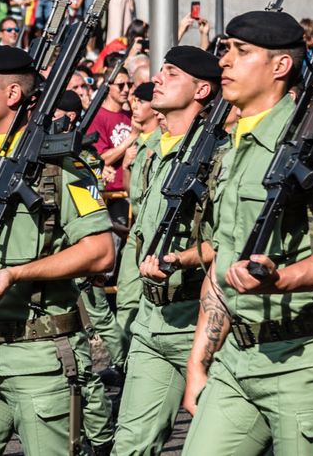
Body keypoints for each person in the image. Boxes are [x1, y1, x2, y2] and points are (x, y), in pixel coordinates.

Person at [182, 11, 313, 455]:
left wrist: (283, 279)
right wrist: (198, 363)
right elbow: (223, 260)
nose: (224, 62)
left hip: (303, 363)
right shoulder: (231, 148)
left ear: (280, 66)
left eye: (240, 51)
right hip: (235, 361)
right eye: (225, 48)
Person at [0, 45, 115, 455]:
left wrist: (19, 273)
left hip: (40, 356)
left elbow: (101, 251)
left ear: (13, 94)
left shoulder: (58, 165)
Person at [113, 48, 225, 455]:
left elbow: (232, 241)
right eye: (160, 71)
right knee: (130, 446)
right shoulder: (152, 151)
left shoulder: (219, 155)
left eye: (171, 73)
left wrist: (180, 259)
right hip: (151, 318)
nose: (157, 79)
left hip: (200, 318)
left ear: (202, 89)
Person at [117, 81, 161, 337]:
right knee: (127, 298)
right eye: (134, 100)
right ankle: (123, 361)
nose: (135, 106)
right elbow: (131, 192)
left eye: (142, 101)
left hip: (154, 232)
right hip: (137, 232)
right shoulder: (136, 145)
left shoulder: (158, 142)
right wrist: (126, 166)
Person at [87, 53, 134, 227]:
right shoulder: (98, 116)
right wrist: (131, 138)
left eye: (129, 84)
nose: (126, 90)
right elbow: (100, 159)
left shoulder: (130, 115)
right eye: (120, 85)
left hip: (131, 193)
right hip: (110, 197)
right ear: (108, 87)